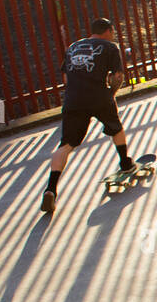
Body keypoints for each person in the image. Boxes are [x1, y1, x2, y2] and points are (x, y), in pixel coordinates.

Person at [40, 17, 137, 214]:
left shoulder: (73, 47)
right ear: (109, 30)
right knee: (115, 128)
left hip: (73, 99)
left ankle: (51, 188)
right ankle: (125, 163)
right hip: (99, 96)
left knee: (65, 145)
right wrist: (110, 95)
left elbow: (66, 77)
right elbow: (118, 77)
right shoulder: (111, 47)